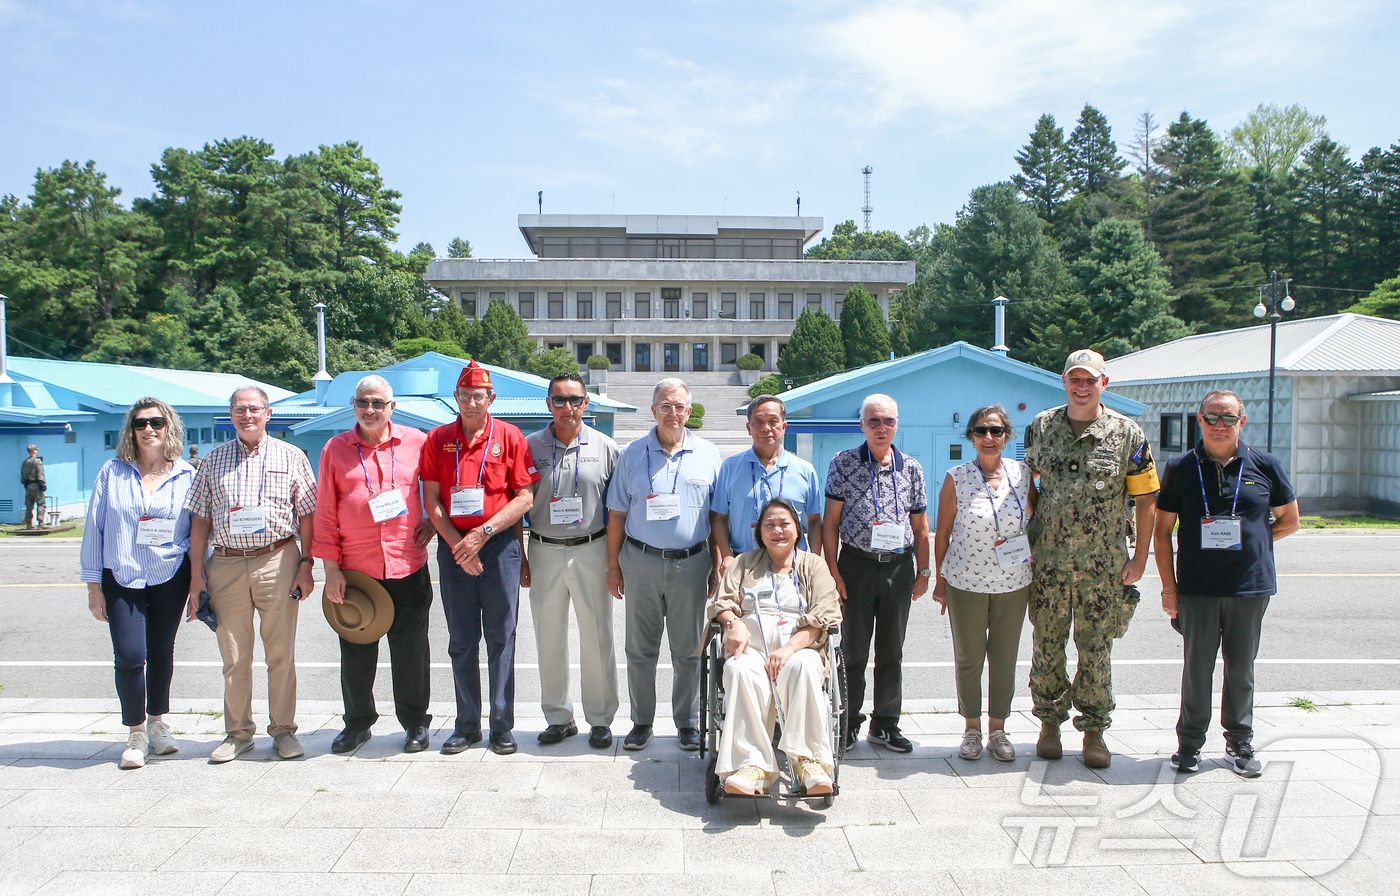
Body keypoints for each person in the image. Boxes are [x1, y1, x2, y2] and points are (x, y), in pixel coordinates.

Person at [1154, 390, 1299, 777]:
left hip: (1249, 586)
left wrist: (1256, 541)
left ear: (1242, 421)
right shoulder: (1181, 467)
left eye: (1228, 419)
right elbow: (1162, 531)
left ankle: (1240, 742)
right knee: (1196, 668)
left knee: (1241, 668)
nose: (1220, 426)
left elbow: (1289, 520)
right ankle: (1189, 745)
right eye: (1212, 418)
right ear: (1199, 420)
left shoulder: (1265, 465)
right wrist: (1169, 588)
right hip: (1197, 588)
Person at [1024, 349, 1158, 769]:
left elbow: (1147, 499)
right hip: (1048, 563)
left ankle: (1095, 729)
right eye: (1074, 379)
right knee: (1046, 645)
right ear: (1064, 381)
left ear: (1105, 383)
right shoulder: (1041, 427)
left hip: (1103, 567)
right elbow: (1029, 487)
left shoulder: (1127, 433)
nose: (1081, 387)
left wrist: (1139, 559)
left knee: (1095, 649)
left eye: (1089, 380)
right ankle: (1049, 722)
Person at [185, 387, 317, 763]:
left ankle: (284, 731)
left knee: (280, 653)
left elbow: (307, 514)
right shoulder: (212, 461)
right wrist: (197, 576)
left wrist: (306, 564)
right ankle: (238, 733)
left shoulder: (291, 456)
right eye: (239, 409)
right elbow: (199, 520)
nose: (247, 415)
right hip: (225, 564)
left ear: (268, 413)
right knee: (234, 655)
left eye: (254, 409)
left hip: (277, 559)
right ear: (230, 415)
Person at [313, 375, 435, 755]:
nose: (370, 409)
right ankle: (358, 724)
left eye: (378, 403)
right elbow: (326, 512)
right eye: (363, 402)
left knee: (411, 650)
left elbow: (438, 488)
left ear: (391, 407)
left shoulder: (418, 442)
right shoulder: (335, 449)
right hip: (356, 571)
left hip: (406, 564)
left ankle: (415, 722)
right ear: (353, 405)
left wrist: (434, 520)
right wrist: (330, 570)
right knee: (356, 651)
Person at [421, 360, 538, 756]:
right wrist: (459, 544)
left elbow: (524, 497)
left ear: (491, 398)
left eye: (479, 396)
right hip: (455, 548)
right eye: (464, 396)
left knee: (502, 639)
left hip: (498, 545)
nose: (471, 403)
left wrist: (482, 533)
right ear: (455, 398)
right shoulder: (438, 438)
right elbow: (432, 501)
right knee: (462, 641)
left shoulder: (510, 436)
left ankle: (502, 725)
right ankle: (467, 724)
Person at [79, 399, 197, 769]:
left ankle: (158, 723)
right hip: (122, 574)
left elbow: (197, 531)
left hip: (169, 573)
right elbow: (94, 530)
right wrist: (93, 586)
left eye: (157, 423)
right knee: (130, 655)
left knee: (161, 650)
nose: (149, 430)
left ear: (169, 427)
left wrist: (198, 583)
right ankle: (135, 732)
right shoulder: (112, 473)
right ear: (131, 430)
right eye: (140, 423)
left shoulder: (186, 474)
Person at [607, 377, 721, 752]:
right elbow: (616, 516)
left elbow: (719, 517)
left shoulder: (708, 453)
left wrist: (717, 566)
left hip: (691, 563)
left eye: (680, 407)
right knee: (640, 649)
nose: (673, 413)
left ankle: (687, 722)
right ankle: (641, 722)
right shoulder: (632, 454)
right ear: (653, 410)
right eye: (665, 406)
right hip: (640, 560)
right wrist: (613, 566)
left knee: (687, 649)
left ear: (690, 412)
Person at [709, 498, 842, 795]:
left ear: (797, 529)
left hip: (798, 648)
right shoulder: (744, 563)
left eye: (784, 524)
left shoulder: (813, 565)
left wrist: (788, 650)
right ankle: (751, 765)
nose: (777, 530)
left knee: (806, 666)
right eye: (769, 525)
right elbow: (722, 603)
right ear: (760, 533)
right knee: (738, 668)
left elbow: (826, 614)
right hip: (752, 648)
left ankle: (808, 761)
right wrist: (734, 623)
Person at [823, 393, 930, 753]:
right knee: (853, 651)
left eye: (888, 421)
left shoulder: (911, 467)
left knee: (891, 651)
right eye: (873, 421)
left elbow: (920, 526)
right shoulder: (844, 463)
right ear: (862, 425)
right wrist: (833, 572)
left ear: (897, 424)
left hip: (898, 568)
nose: (881, 428)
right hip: (856, 566)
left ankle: (885, 724)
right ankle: (849, 721)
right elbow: (831, 523)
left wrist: (924, 571)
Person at [932, 405, 1037, 762]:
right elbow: (942, 531)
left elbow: (1034, 521)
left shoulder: (1023, 475)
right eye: (981, 431)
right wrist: (940, 579)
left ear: (1007, 435)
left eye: (995, 430)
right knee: (969, 658)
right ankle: (972, 729)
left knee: (1005, 658)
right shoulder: (957, 477)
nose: (988, 438)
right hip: (966, 582)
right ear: (971, 437)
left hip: (1014, 582)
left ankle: (998, 729)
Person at [521, 373, 620, 749]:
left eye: (574, 400)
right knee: (549, 638)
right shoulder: (530, 446)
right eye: (559, 400)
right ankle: (559, 717)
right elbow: (518, 504)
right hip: (544, 548)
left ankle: (600, 719)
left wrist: (614, 563)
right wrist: (523, 559)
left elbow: (617, 511)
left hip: (591, 548)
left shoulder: (607, 447)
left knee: (597, 636)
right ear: (548, 404)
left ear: (586, 403)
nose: (567, 407)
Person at [712, 394, 823, 569]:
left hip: (792, 566)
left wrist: (814, 559)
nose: (766, 428)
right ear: (749, 428)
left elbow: (815, 520)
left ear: (784, 427)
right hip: (743, 564)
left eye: (773, 421)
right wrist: (726, 555)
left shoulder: (805, 470)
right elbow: (719, 518)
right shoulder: (730, 467)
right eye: (758, 422)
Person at [21, 444, 46, 528]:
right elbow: (40, 474)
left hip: (28, 486)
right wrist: (43, 484)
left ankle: (28, 523)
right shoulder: (37, 461)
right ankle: (41, 522)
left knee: (29, 505)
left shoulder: (25, 462)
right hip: (37, 486)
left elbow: (23, 477)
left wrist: (26, 484)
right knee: (41, 503)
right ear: (34, 451)